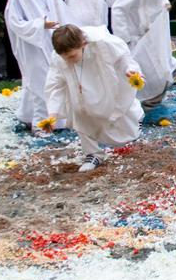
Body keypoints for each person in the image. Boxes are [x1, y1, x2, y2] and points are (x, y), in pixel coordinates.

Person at [45, 24, 143, 172]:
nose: (69, 61)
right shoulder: (59, 57)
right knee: (78, 112)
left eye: (72, 56)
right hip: (78, 89)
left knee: (118, 112)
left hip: (104, 82)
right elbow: (55, 84)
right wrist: (53, 113)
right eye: (65, 58)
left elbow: (123, 58)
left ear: (83, 44)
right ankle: (92, 154)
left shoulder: (102, 43)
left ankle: (136, 117)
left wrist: (130, 70)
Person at [4, 0, 73, 133]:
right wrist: (40, 24)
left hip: (52, 40)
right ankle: (42, 124)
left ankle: (30, 114)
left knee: (53, 79)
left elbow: (59, 9)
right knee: (39, 81)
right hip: (31, 44)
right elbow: (14, 22)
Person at [112, 0, 176, 109]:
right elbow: (118, 9)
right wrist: (123, 36)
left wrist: (165, 3)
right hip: (136, 38)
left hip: (153, 35)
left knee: (161, 67)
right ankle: (145, 100)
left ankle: (155, 97)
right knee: (146, 70)